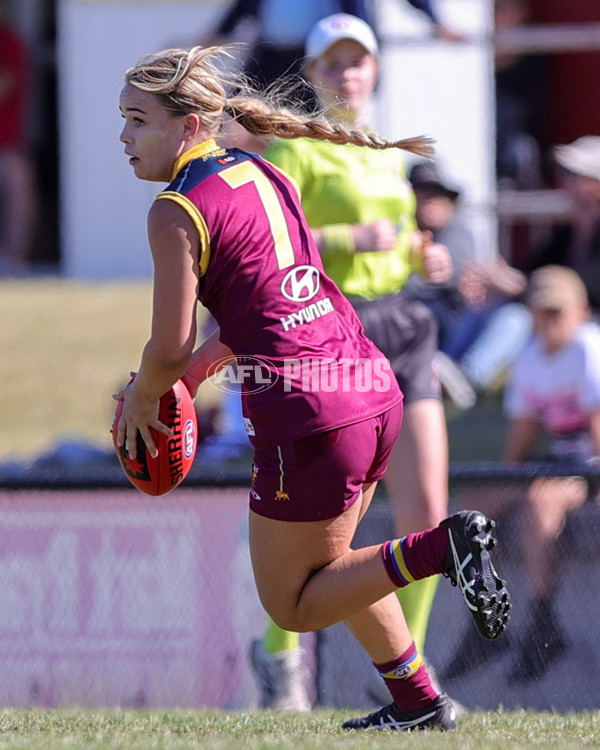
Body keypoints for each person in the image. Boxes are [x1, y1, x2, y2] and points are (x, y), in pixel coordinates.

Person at [114, 44, 510, 730]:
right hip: (369, 387)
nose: (123, 137)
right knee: (340, 569)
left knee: (293, 604)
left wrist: (146, 395)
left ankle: (440, 548)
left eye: (136, 120)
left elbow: (170, 345)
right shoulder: (262, 172)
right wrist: (186, 381)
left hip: (311, 415)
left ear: (187, 128)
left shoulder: (176, 208)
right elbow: (253, 317)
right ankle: (420, 703)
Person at [249, 13, 458, 710]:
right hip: (339, 336)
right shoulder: (294, 151)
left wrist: (422, 255)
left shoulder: (385, 150)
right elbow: (277, 242)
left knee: (427, 508)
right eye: (333, 62)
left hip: (403, 324)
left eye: (358, 60)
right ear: (310, 75)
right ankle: (279, 658)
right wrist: (348, 234)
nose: (347, 72)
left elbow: (396, 245)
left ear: (374, 71)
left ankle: (406, 669)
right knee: (330, 528)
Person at [444, 265, 600, 684]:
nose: (548, 322)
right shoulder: (531, 357)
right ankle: (485, 623)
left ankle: (544, 624)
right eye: (541, 312)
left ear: (580, 312)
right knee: (471, 507)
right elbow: (521, 445)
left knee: (540, 500)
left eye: (557, 312)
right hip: (563, 462)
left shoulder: (590, 348)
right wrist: (503, 487)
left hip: (591, 465)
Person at [405, 160, 532, 400]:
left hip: (452, 328)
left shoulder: (459, 231)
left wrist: (491, 283)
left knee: (515, 317)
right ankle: (446, 377)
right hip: (417, 334)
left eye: (437, 193)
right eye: (422, 192)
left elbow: (443, 279)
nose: (430, 200)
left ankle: (468, 379)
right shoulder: (397, 233)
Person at [526, 136, 600, 314]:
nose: (563, 182)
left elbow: (590, 286)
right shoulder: (567, 234)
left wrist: (525, 285)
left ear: (596, 184)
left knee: (515, 318)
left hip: (589, 328)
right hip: (571, 326)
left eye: (572, 175)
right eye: (563, 173)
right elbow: (534, 269)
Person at [0, 3, 36, 276]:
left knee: (19, 190)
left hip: (7, 141)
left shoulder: (8, 41)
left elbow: (6, 84)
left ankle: (13, 260)